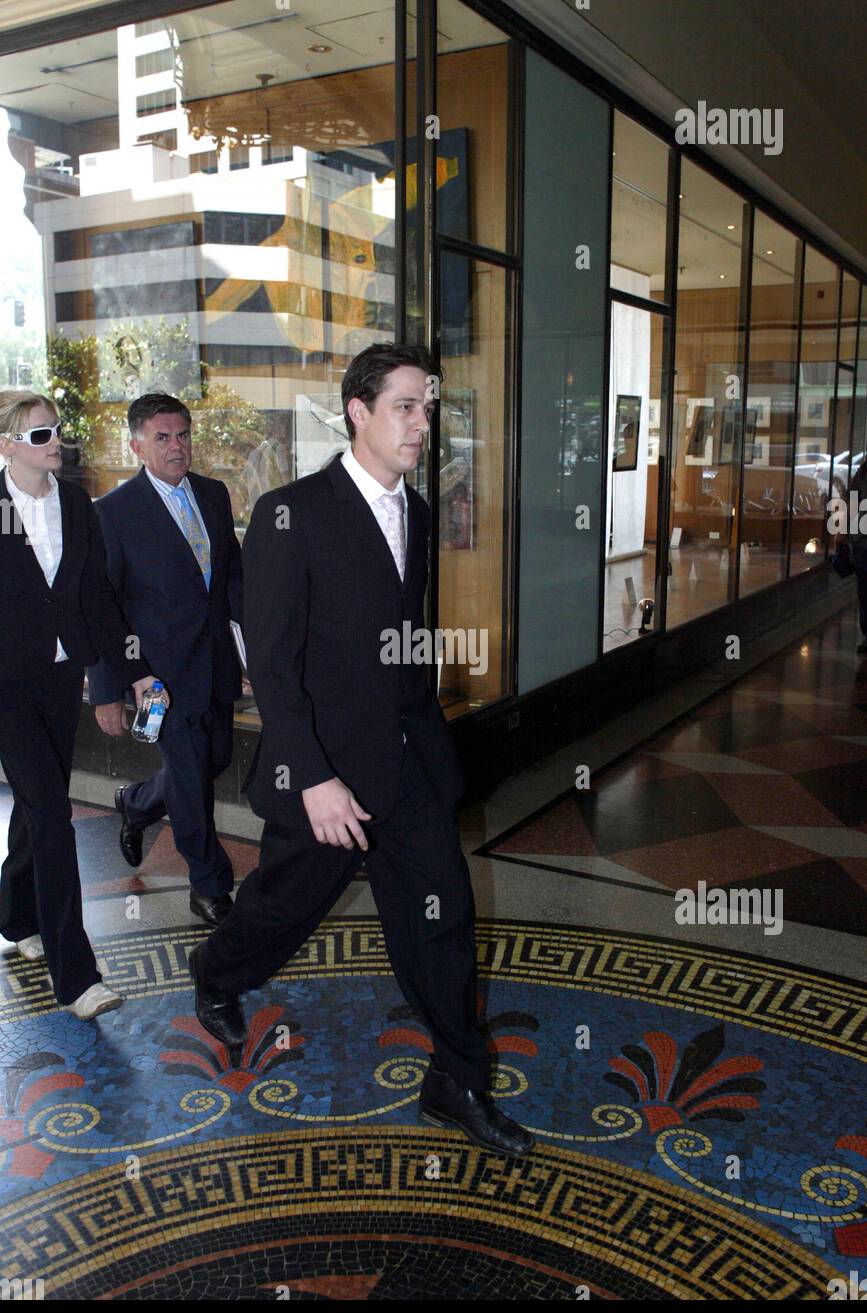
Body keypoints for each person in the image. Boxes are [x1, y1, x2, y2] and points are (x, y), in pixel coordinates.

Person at [190, 343, 533, 1157]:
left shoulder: (415, 511)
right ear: (358, 411)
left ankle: (455, 1078)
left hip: (407, 763)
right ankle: (217, 972)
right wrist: (312, 779)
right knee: (283, 904)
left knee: (442, 914)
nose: (421, 423)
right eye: (405, 407)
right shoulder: (290, 513)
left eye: (426, 406)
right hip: (325, 774)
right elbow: (270, 663)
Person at [0, 389, 163, 1018]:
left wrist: (128, 675)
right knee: (51, 812)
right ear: (8, 445)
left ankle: (16, 916)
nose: (56, 444)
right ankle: (77, 976)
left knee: (37, 807)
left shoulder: (73, 502)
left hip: (60, 679)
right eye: (40, 436)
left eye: (56, 432)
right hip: (7, 685)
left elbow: (96, 596)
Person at [88, 393, 244, 926]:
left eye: (182, 435)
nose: (176, 447)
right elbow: (101, 606)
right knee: (190, 780)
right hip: (154, 676)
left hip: (216, 662)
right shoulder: (112, 513)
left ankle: (136, 803)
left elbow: (232, 581)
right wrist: (110, 687)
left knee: (212, 763)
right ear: (136, 445)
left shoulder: (215, 494)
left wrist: (255, 649)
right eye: (162, 438)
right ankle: (208, 887)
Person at [846, 454, 867, 654]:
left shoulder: (865, 470)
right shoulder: (865, 470)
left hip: (863, 540)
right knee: (865, 590)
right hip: (864, 542)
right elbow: (852, 500)